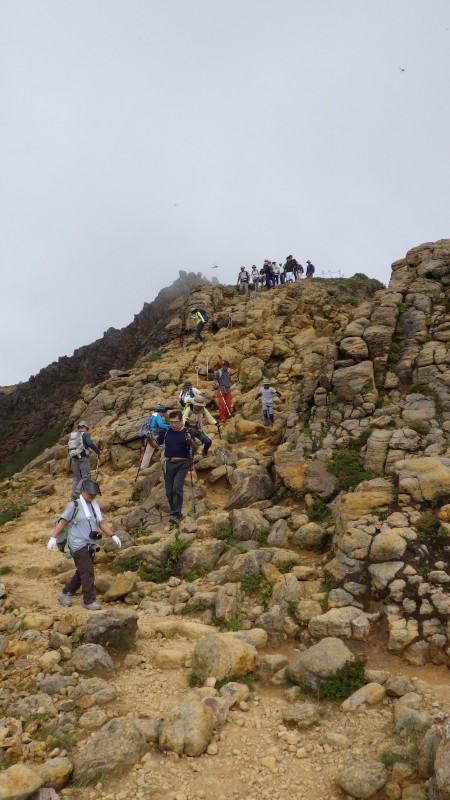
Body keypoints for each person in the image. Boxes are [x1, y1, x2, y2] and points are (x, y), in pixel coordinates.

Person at [47, 479, 121, 611]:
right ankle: (89, 601)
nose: (92, 496)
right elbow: (63, 522)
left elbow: (101, 523)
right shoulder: (73, 505)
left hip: (90, 545)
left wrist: (113, 535)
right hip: (77, 544)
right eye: (89, 493)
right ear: (82, 491)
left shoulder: (94, 506)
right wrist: (53, 538)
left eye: (94, 494)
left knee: (82, 572)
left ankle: (65, 593)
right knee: (87, 572)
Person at [148, 409, 198, 526]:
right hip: (168, 464)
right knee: (169, 491)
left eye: (176, 422)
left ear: (181, 421)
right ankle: (174, 512)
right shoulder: (166, 432)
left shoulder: (187, 432)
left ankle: (176, 514)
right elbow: (155, 444)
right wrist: (150, 438)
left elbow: (196, 448)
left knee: (177, 488)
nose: (173, 425)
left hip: (183, 464)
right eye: (171, 422)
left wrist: (190, 440)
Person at [68, 421, 100, 500]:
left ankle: (74, 497)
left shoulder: (73, 436)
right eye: (87, 428)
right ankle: (77, 493)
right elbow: (90, 443)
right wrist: (98, 451)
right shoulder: (85, 434)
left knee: (76, 478)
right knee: (85, 476)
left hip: (74, 459)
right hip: (83, 458)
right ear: (85, 427)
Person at [139, 405, 170, 470]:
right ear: (161, 412)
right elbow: (160, 424)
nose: (164, 414)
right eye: (164, 413)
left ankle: (143, 467)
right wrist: (169, 426)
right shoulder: (158, 416)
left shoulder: (152, 415)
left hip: (148, 435)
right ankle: (163, 461)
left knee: (148, 451)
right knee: (165, 445)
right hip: (154, 436)